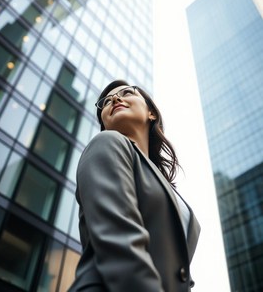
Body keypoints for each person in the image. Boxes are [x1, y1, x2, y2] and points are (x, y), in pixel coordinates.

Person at [68, 80, 200, 292]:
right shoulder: (106, 143)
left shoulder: (166, 188)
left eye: (127, 92)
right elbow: (118, 241)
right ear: (104, 122)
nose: (115, 99)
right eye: (106, 101)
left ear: (151, 114)